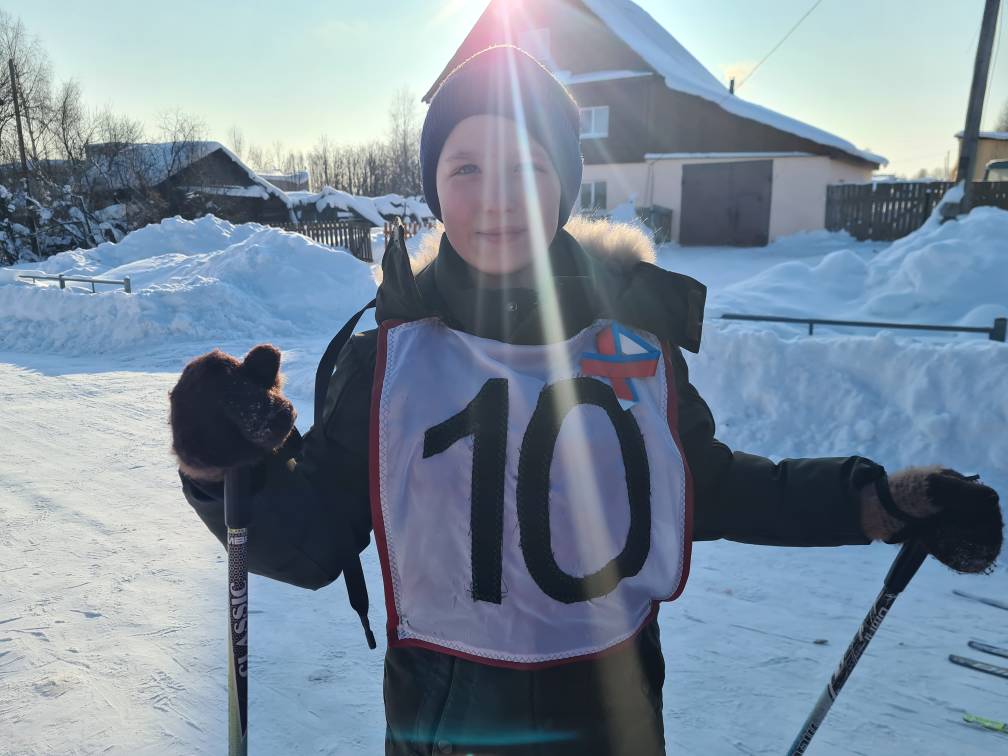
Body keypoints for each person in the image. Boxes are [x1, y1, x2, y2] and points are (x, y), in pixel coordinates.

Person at [168, 46, 1003, 756]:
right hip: (445, 732)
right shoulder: (392, 355)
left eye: (528, 168)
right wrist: (219, 464)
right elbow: (313, 539)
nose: (497, 197)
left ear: (564, 182)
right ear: (434, 188)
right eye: (466, 168)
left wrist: (876, 501)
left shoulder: (633, 343)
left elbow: (709, 485)